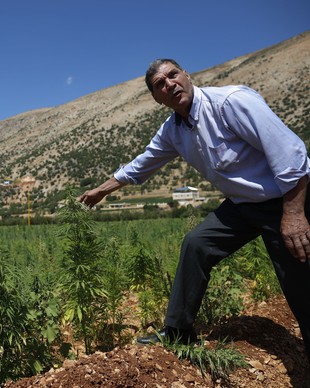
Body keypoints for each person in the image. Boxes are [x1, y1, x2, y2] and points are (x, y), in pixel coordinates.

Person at [78, 58, 310, 359]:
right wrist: (101, 190)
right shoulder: (173, 130)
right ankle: (178, 332)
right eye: (160, 84)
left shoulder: (230, 103)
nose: (169, 84)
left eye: (172, 75)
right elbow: (142, 163)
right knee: (197, 243)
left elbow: (291, 153)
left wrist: (293, 214)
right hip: (242, 206)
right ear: (157, 98)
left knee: (299, 283)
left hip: (287, 198)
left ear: (187, 76)